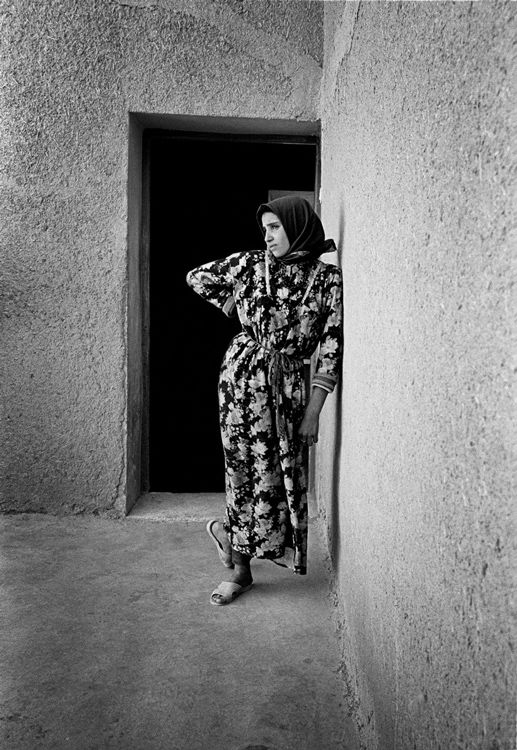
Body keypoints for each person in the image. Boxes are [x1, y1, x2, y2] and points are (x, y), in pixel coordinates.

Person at [186, 195, 343, 605]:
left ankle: (228, 533)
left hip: (290, 385)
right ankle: (241, 570)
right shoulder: (251, 264)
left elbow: (330, 347)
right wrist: (234, 303)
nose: (267, 235)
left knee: (278, 475)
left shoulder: (328, 281)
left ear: (298, 226)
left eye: (275, 227)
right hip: (241, 378)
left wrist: (314, 411)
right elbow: (197, 276)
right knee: (242, 470)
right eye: (265, 228)